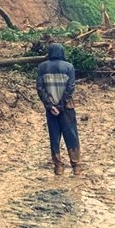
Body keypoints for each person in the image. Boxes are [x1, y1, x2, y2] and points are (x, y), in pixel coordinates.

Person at [36, 43, 82, 176]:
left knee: (54, 136)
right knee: (71, 135)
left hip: (51, 109)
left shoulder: (42, 67)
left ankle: (58, 166)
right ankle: (76, 166)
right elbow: (70, 87)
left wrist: (50, 106)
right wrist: (61, 105)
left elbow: (40, 88)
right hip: (66, 108)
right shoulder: (69, 67)